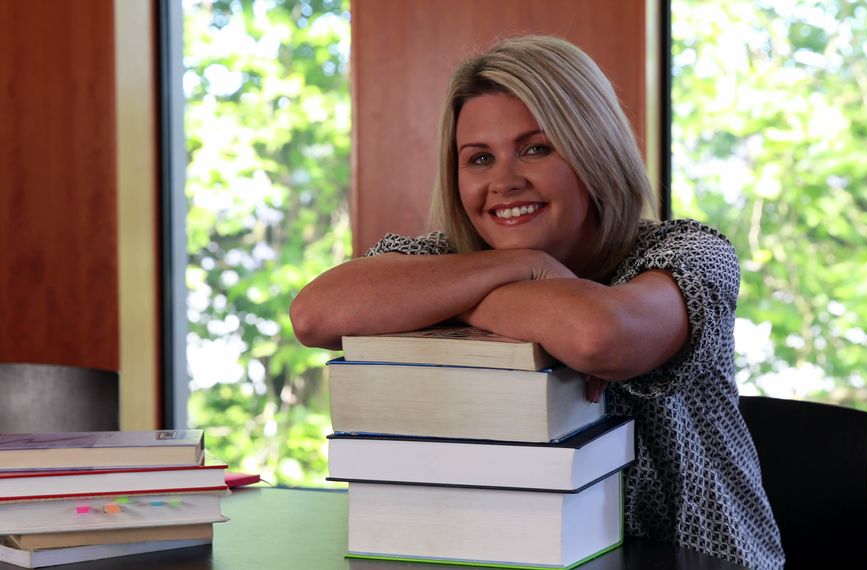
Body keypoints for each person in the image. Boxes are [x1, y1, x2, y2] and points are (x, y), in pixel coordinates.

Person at [290, 35, 785, 569]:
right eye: (479, 158)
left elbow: (599, 337)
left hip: (694, 558)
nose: (503, 181)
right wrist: (523, 269)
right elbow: (315, 315)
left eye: (536, 148)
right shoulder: (447, 256)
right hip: (512, 555)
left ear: (593, 147)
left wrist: (454, 300)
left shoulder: (691, 253)